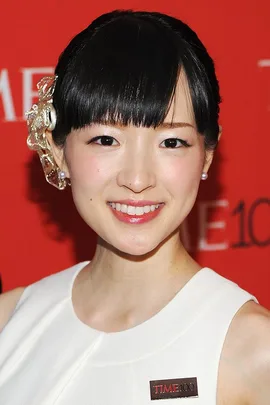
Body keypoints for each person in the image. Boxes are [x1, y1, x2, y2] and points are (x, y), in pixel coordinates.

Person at [0, 9, 269, 405]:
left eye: (171, 143)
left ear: (207, 155)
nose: (138, 179)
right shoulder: (11, 322)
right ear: (58, 151)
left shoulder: (253, 349)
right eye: (106, 140)